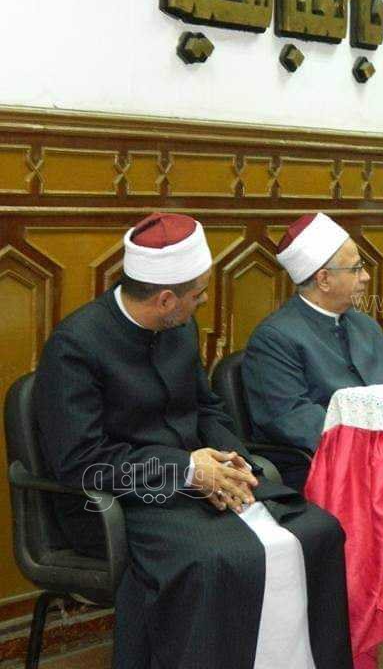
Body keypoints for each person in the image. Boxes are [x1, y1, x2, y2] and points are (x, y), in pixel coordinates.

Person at [35, 213, 352, 669]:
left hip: (196, 482)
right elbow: (82, 461)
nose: (203, 301)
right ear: (165, 299)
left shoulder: (178, 327)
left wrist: (233, 460)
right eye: (198, 294)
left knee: (318, 531)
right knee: (220, 560)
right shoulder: (75, 346)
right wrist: (186, 469)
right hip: (118, 500)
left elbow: (205, 408)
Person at [243, 212, 383, 492]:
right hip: (322, 467)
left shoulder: (367, 326)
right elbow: (293, 420)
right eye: (356, 269)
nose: (366, 277)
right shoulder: (274, 338)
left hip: (382, 456)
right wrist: (373, 445)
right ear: (323, 279)